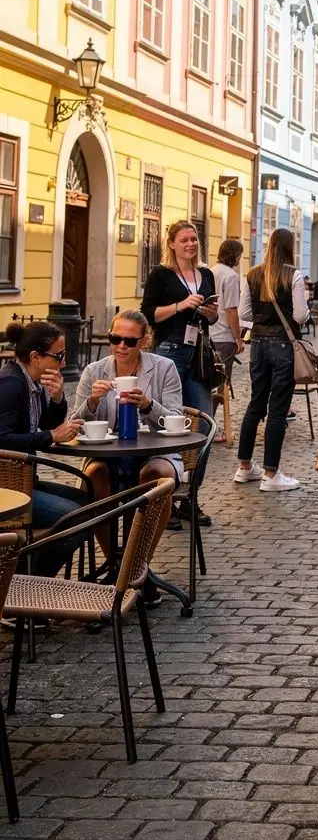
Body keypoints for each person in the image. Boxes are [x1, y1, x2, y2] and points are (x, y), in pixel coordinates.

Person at [74, 309, 184, 571]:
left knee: (159, 476)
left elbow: (175, 418)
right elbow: (75, 424)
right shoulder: (94, 371)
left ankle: (138, 564)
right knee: (95, 475)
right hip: (109, 453)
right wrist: (93, 400)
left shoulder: (164, 368)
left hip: (157, 451)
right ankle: (115, 563)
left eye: (130, 341)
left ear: (144, 341)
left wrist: (147, 405)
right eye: (115, 338)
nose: (121, 346)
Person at [0, 320, 88, 576]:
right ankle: (33, 583)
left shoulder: (32, 382)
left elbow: (46, 422)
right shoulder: (10, 384)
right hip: (10, 490)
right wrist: (50, 436)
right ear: (35, 357)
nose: (63, 363)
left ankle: (30, 575)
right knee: (77, 518)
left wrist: (59, 398)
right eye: (58, 356)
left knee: (92, 505)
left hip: (27, 481)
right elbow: (3, 439)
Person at [233, 228, 309, 491]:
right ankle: (270, 473)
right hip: (284, 346)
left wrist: (263, 322)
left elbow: (244, 313)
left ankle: (244, 467)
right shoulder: (293, 275)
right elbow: (300, 315)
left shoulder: (253, 274)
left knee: (255, 404)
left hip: (259, 345)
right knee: (278, 408)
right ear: (290, 247)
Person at [141, 220, 218, 415]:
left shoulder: (206, 273)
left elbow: (212, 317)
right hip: (170, 349)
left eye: (194, 239)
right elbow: (148, 314)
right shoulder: (160, 274)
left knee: (203, 417)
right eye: (184, 240)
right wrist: (180, 306)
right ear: (172, 244)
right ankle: (170, 447)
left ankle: (202, 447)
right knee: (167, 414)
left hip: (200, 351)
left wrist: (212, 315)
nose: (190, 244)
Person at [211, 239, 245, 438]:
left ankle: (207, 423)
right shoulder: (231, 277)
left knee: (208, 381)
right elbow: (231, 309)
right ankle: (212, 427)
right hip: (224, 334)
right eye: (240, 255)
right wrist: (238, 338)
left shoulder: (212, 271)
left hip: (210, 332)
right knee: (220, 384)